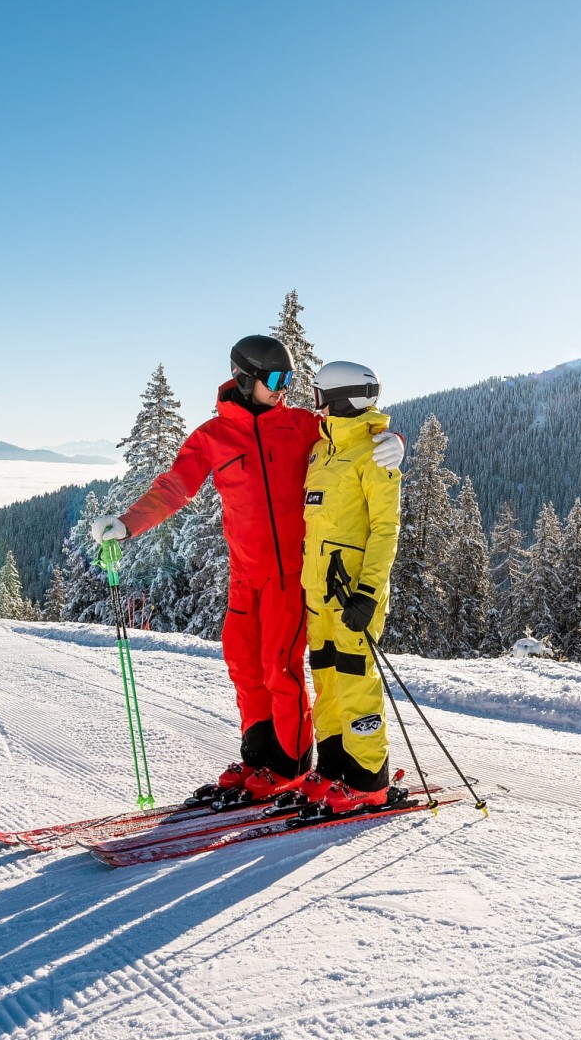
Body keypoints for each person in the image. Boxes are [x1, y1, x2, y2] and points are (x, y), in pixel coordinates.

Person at [89, 335, 404, 803]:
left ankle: (289, 761)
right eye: (276, 379)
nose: (285, 389)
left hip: (291, 576)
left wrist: (394, 442)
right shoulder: (213, 437)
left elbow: (353, 434)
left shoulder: (300, 426)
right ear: (244, 377)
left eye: (290, 380)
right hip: (244, 574)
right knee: (243, 664)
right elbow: (176, 486)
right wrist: (128, 524)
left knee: (281, 667)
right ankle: (258, 754)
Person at [293, 360, 403, 814]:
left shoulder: (374, 453)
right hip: (318, 591)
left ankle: (368, 778)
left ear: (338, 397)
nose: (315, 402)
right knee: (326, 675)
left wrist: (368, 591)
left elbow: (386, 529)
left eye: (319, 394)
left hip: (353, 591)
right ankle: (336, 765)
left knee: (356, 679)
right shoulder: (323, 450)